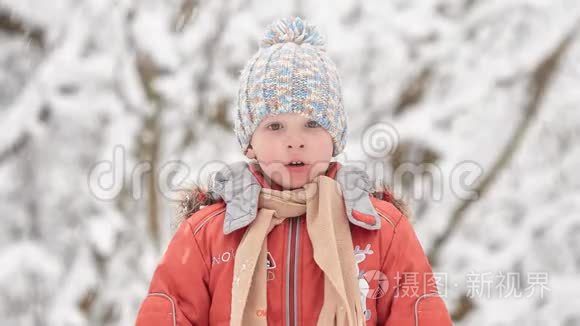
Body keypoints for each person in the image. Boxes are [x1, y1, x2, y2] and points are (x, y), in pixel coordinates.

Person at [135, 16, 452, 326]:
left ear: (335, 137)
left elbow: (418, 314)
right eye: (275, 126)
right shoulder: (208, 236)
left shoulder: (381, 230)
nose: (295, 142)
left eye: (312, 124)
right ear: (249, 144)